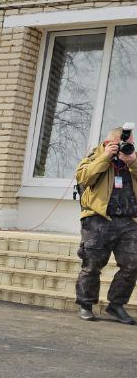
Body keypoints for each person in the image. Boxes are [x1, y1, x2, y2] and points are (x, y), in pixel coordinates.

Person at [74, 127, 137, 324]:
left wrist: (133, 162)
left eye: (128, 144)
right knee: (92, 264)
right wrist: (105, 158)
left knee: (132, 264)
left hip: (128, 220)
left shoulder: (132, 158)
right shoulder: (95, 155)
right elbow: (83, 177)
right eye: (118, 144)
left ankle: (116, 305)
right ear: (107, 142)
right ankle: (85, 304)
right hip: (98, 219)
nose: (123, 147)